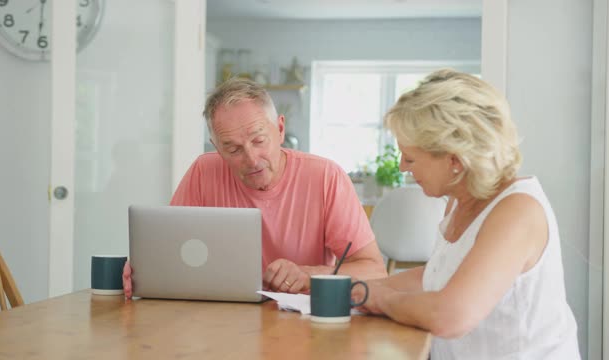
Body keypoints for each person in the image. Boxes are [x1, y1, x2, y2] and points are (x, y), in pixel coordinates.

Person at [351, 69, 580, 359]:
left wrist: (379, 298)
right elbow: (437, 275)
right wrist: (353, 288)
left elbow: (450, 315)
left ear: (455, 159)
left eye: (409, 158)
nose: (402, 168)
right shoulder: (459, 200)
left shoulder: (518, 211)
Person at [123, 78, 387, 298]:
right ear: (217, 149)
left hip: (301, 321)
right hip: (222, 317)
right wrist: (145, 268)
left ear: (280, 129)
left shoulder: (327, 177)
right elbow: (172, 249)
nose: (250, 159)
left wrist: (308, 275)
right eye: (233, 149)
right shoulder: (204, 171)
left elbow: (374, 269)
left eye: (259, 140)